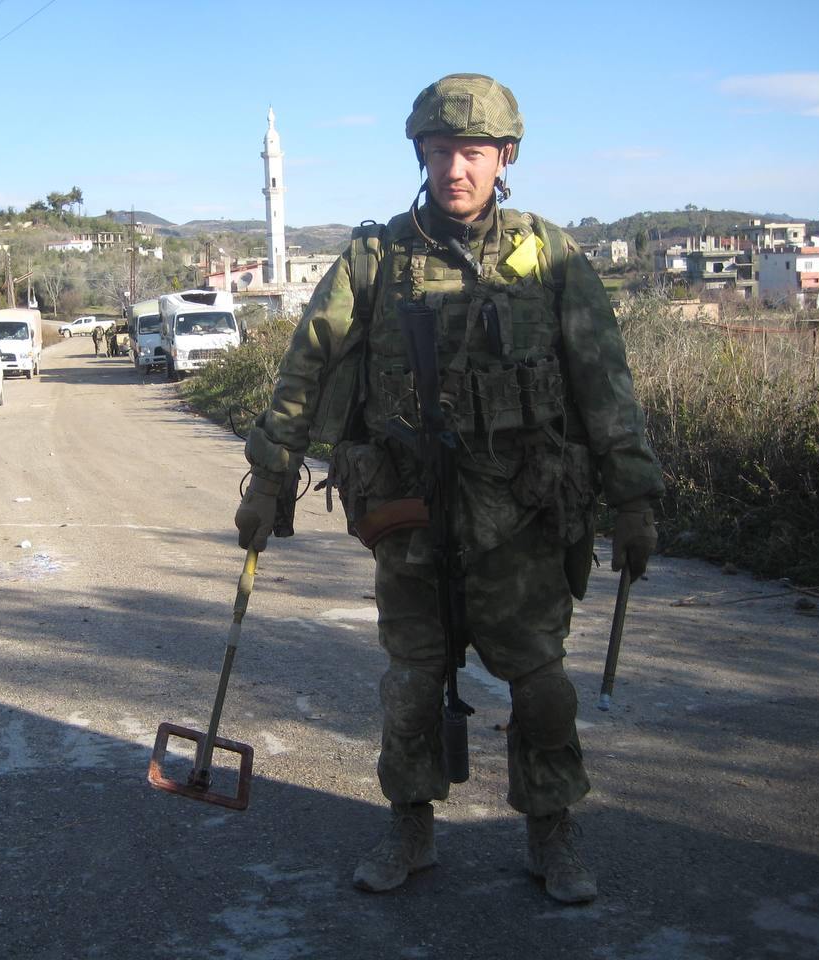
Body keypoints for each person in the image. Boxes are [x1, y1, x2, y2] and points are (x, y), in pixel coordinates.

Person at [234, 74, 663, 904]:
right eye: (440, 151)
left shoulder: (552, 256)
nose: (455, 168)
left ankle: (552, 831)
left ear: (505, 159)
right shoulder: (375, 256)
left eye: (473, 152)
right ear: (421, 156)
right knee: (411, 681)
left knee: (540, 682)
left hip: (524, 509)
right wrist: (270, 473)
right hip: (411, 509)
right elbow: (305, 364)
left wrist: (634, 495)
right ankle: (410, 826)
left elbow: (605, 381)